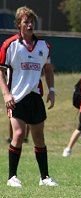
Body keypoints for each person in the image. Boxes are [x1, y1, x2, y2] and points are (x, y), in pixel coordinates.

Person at [0, 6, 57, 187]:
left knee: (39, 137)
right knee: (18, 134)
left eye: (32, 21)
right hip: (16, 97)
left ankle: (45, 178)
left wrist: (52, 89)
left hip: (35, 96)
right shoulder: (10, 45)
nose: (30, 24)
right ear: (19, 25)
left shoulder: (43, 46)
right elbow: (0, 71)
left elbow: (48, 69)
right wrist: (6, 94)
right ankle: (12, 177)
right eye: (26, 21)